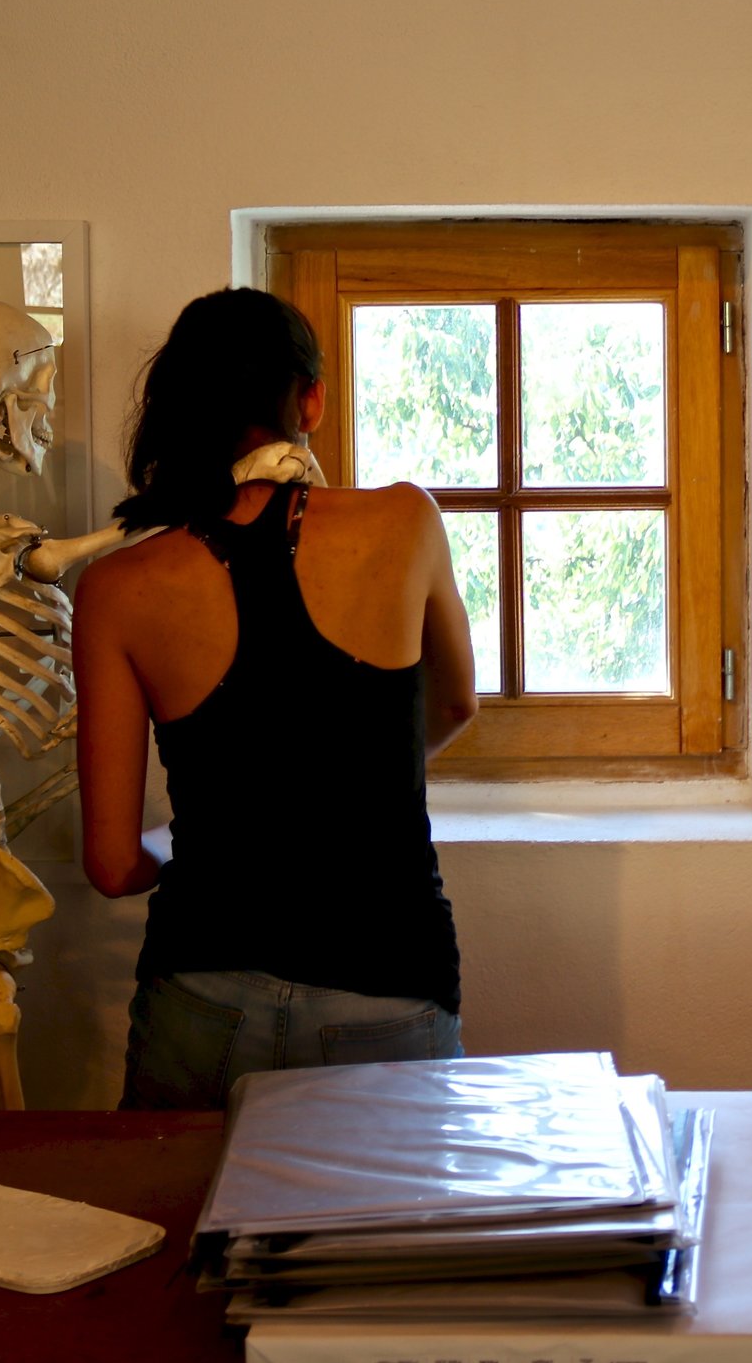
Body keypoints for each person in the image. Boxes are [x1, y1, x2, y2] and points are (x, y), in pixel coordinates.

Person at [73, 287, 480, 1109]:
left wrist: (198, 838)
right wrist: (359, 772)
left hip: (200, 1001)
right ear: (312, 399)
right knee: (388, 1242)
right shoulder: (405, 523)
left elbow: (115, 865)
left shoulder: (116, 587)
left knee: (185, 1237)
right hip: (389, 985)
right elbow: (453, 704)